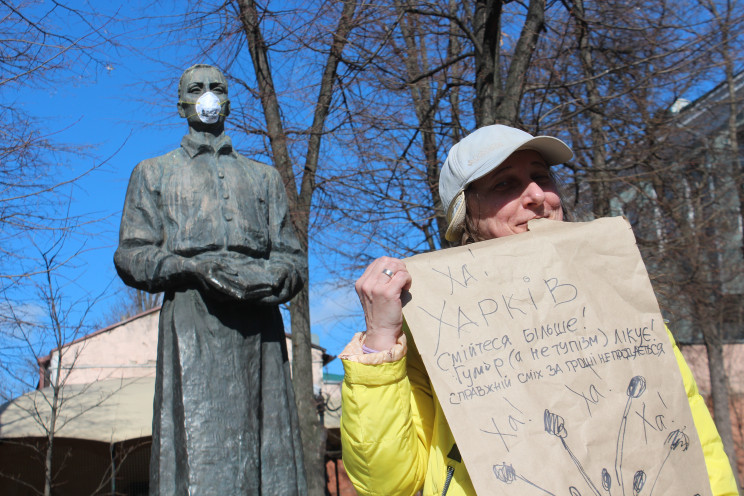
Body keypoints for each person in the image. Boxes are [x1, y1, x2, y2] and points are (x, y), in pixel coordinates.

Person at [339, 124, 739, 496]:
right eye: (505, 184)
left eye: (542, 176)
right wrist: (379, 343)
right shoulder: (432, 334)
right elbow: (386, 485)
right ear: (465, 216)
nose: (537, 196)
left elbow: (692, 443)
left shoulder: (623, 304)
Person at [114, 64, 307, 495]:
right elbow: (131, 255)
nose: (207, 96)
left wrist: (275, 277)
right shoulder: (153, 173)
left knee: (271, 452)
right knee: (200, 449)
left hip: (261, 324)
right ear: (181, 103)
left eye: (216, 88)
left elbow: (293, 258)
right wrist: (192, 268)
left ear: (229, 102)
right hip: (192, 320)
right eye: (196, 88)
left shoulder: (264, 177)